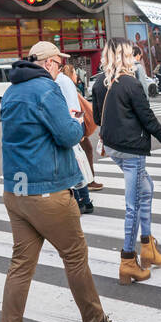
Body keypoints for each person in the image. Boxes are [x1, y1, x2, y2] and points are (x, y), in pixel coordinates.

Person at [0, 41, 136, 322]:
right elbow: (69, 135)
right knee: (75, 257)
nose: (61, 67)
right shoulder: (46, 89)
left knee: (20, 267)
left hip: (15, 191)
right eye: (59, 62)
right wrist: (75, 120)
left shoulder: (13, 91)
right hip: (47, 190)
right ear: (47, 63)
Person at [91, 39, 161, 284]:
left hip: (114, 148)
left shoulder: (99, 83)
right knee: (134, 204)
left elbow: (98, 117)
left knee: (146, 189)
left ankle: (148, 246)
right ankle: (128, 259)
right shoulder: (131, 83)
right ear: (126, 56)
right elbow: (148, 118)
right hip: (132, 150)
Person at [55, 60, 94, 213]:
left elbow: (71, 106)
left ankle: (80, 200)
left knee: (72, 164)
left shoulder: (60, 82)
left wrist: (75, 128)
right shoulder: (65, 81)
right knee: (76, 163)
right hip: (73, 124)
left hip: (69, 125)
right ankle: (85, 200)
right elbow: (75, 107)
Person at [64, 61, 103, 193]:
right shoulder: (70, 88)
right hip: (75, 127)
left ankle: (88, 181)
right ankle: (88, 182)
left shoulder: (68, 87)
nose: (76, 75)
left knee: (84, 153)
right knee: (83, 154)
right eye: (74, 73)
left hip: (74, 127)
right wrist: (80, 130)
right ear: (71, 74)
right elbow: (76, 109)